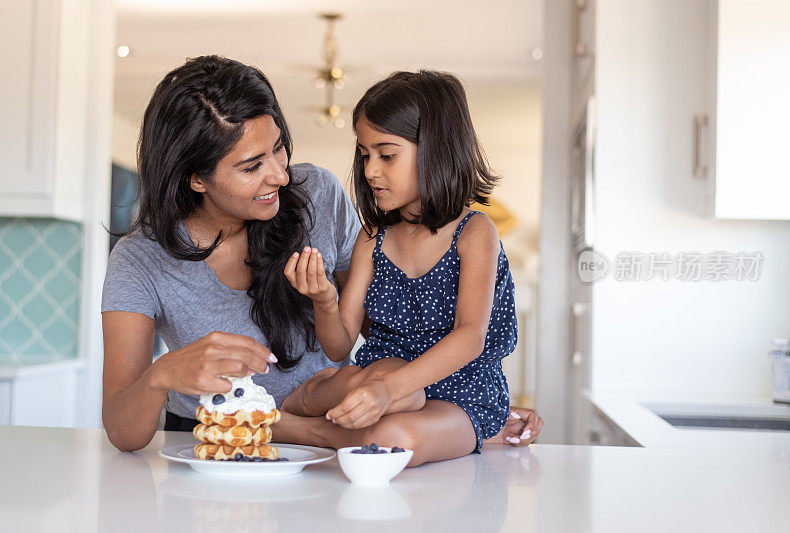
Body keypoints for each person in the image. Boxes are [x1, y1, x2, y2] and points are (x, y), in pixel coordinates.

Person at [100, 55, 540, 454]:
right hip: (218, 443)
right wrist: (163, 374)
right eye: (252, 166)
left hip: (338, 422)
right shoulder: (140, 259)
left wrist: (466, 414)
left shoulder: (318, 194)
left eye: (278, 147)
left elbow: (389, 329)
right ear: (196, 179)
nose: (279, 173)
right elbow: (124, 433)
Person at [282, 71, 540, 466]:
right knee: (380, 383)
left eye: (386, 155)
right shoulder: (373, 237)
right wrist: (324, 300)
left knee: (389, 437)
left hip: (459, 394)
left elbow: (470, 337)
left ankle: (304, 429)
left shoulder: (475, 233)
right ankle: (325, 404)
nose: (370, 171)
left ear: (436, 150)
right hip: (386, 380)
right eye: (365, 155)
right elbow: (338, 346)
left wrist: (387, 392)